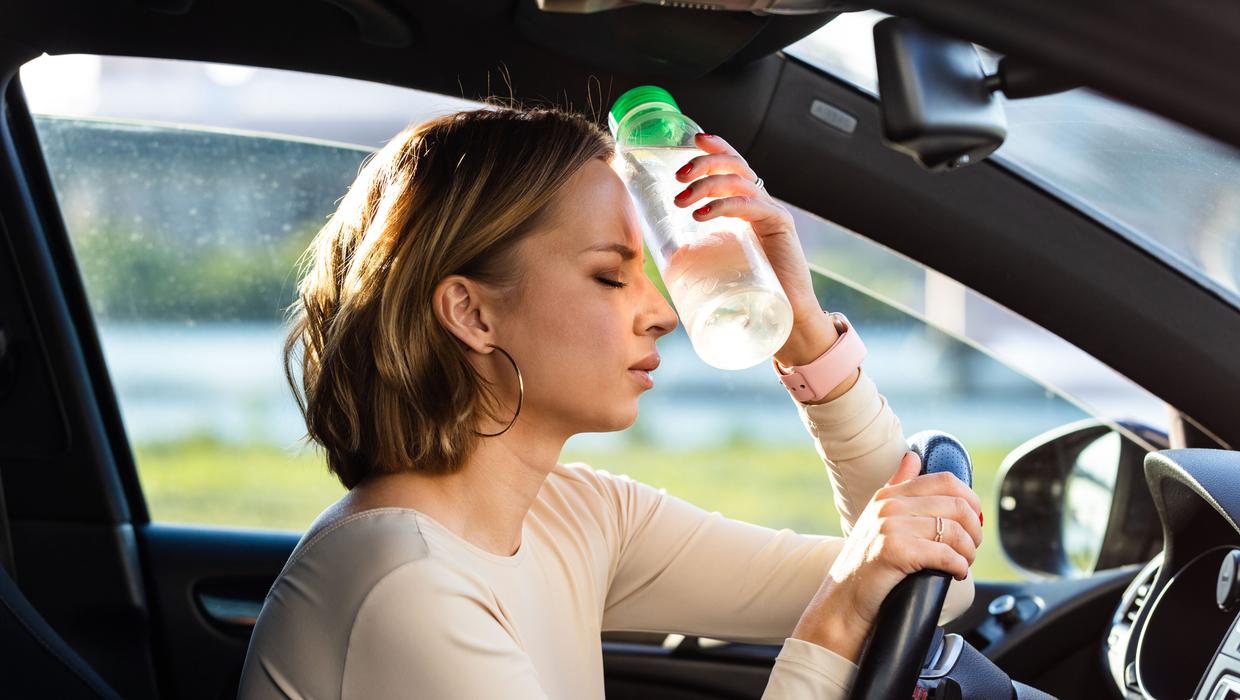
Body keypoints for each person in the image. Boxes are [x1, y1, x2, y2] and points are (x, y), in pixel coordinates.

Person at [236, 104, 981, 699]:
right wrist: (840, 615)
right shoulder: (404, 585)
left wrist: (806, 334)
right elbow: (863, 598)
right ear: (472, 314)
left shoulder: (578, 516)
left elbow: (926, 590)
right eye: (610, 275)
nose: (661, 313)